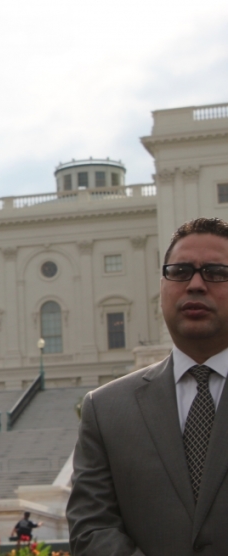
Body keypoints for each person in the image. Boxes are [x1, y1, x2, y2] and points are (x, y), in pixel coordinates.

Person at [67, 217, 228, 555]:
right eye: (180, 271)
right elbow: (92, 526)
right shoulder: (105, 408)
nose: (196, 285)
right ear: (162, 287)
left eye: (215, 272)